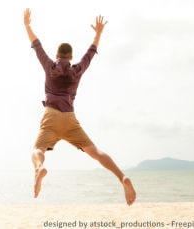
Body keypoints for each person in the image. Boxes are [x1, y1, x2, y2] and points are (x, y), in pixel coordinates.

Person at [23, 8, 136, 206]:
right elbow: (90, 53)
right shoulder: (77, 70)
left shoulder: (50, 66)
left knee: (37, 149)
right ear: (71, 56)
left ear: (57, 55)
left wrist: (27, 25)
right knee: (96, 152)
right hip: (70, 119)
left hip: (50, 117)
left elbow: (37, 45)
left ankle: (38, 169)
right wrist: (98, 33)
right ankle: (122, 177)